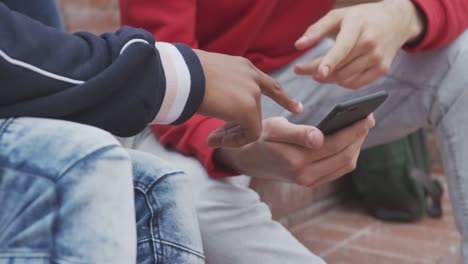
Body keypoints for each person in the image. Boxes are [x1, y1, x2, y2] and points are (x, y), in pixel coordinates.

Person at [119, 0, 468, 263]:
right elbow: (158, 70)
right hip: (191, 94)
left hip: (298, 70)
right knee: (182, 197)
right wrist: (231, 150)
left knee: (462, 59)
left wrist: (410, 14)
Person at [0, 1, 306, 263]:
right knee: (117, 168)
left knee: (154, 179)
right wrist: (173, 75)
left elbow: (40, 63)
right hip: (176, 103)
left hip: (255, 80)